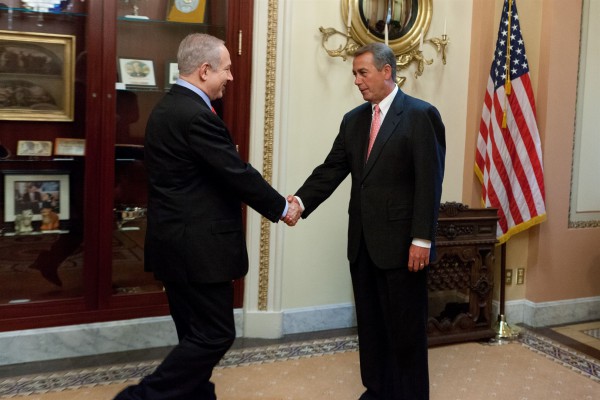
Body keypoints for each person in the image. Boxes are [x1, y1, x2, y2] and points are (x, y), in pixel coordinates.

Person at [114, 33, 300, 400]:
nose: (230, 77)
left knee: (194, 335)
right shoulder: (195, 115)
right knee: (215, 334)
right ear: (204, 70)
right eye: (226, 69)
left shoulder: (167, 108)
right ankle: (137, 398)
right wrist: (282, 207)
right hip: (198, 251)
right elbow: (235, 172)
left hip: (175, 246)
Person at [285, 42, 445, 400]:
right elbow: (331, 170)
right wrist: (299, 201)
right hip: (362, 245)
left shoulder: (420, 115)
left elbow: (429, 183)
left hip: (405, 247)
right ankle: (377, 391)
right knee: (371, 329)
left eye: (363, 73)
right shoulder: (354, 120)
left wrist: (422, 239)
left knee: (405, 332)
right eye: (355, 74)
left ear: (386, 72)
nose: (357, 81)